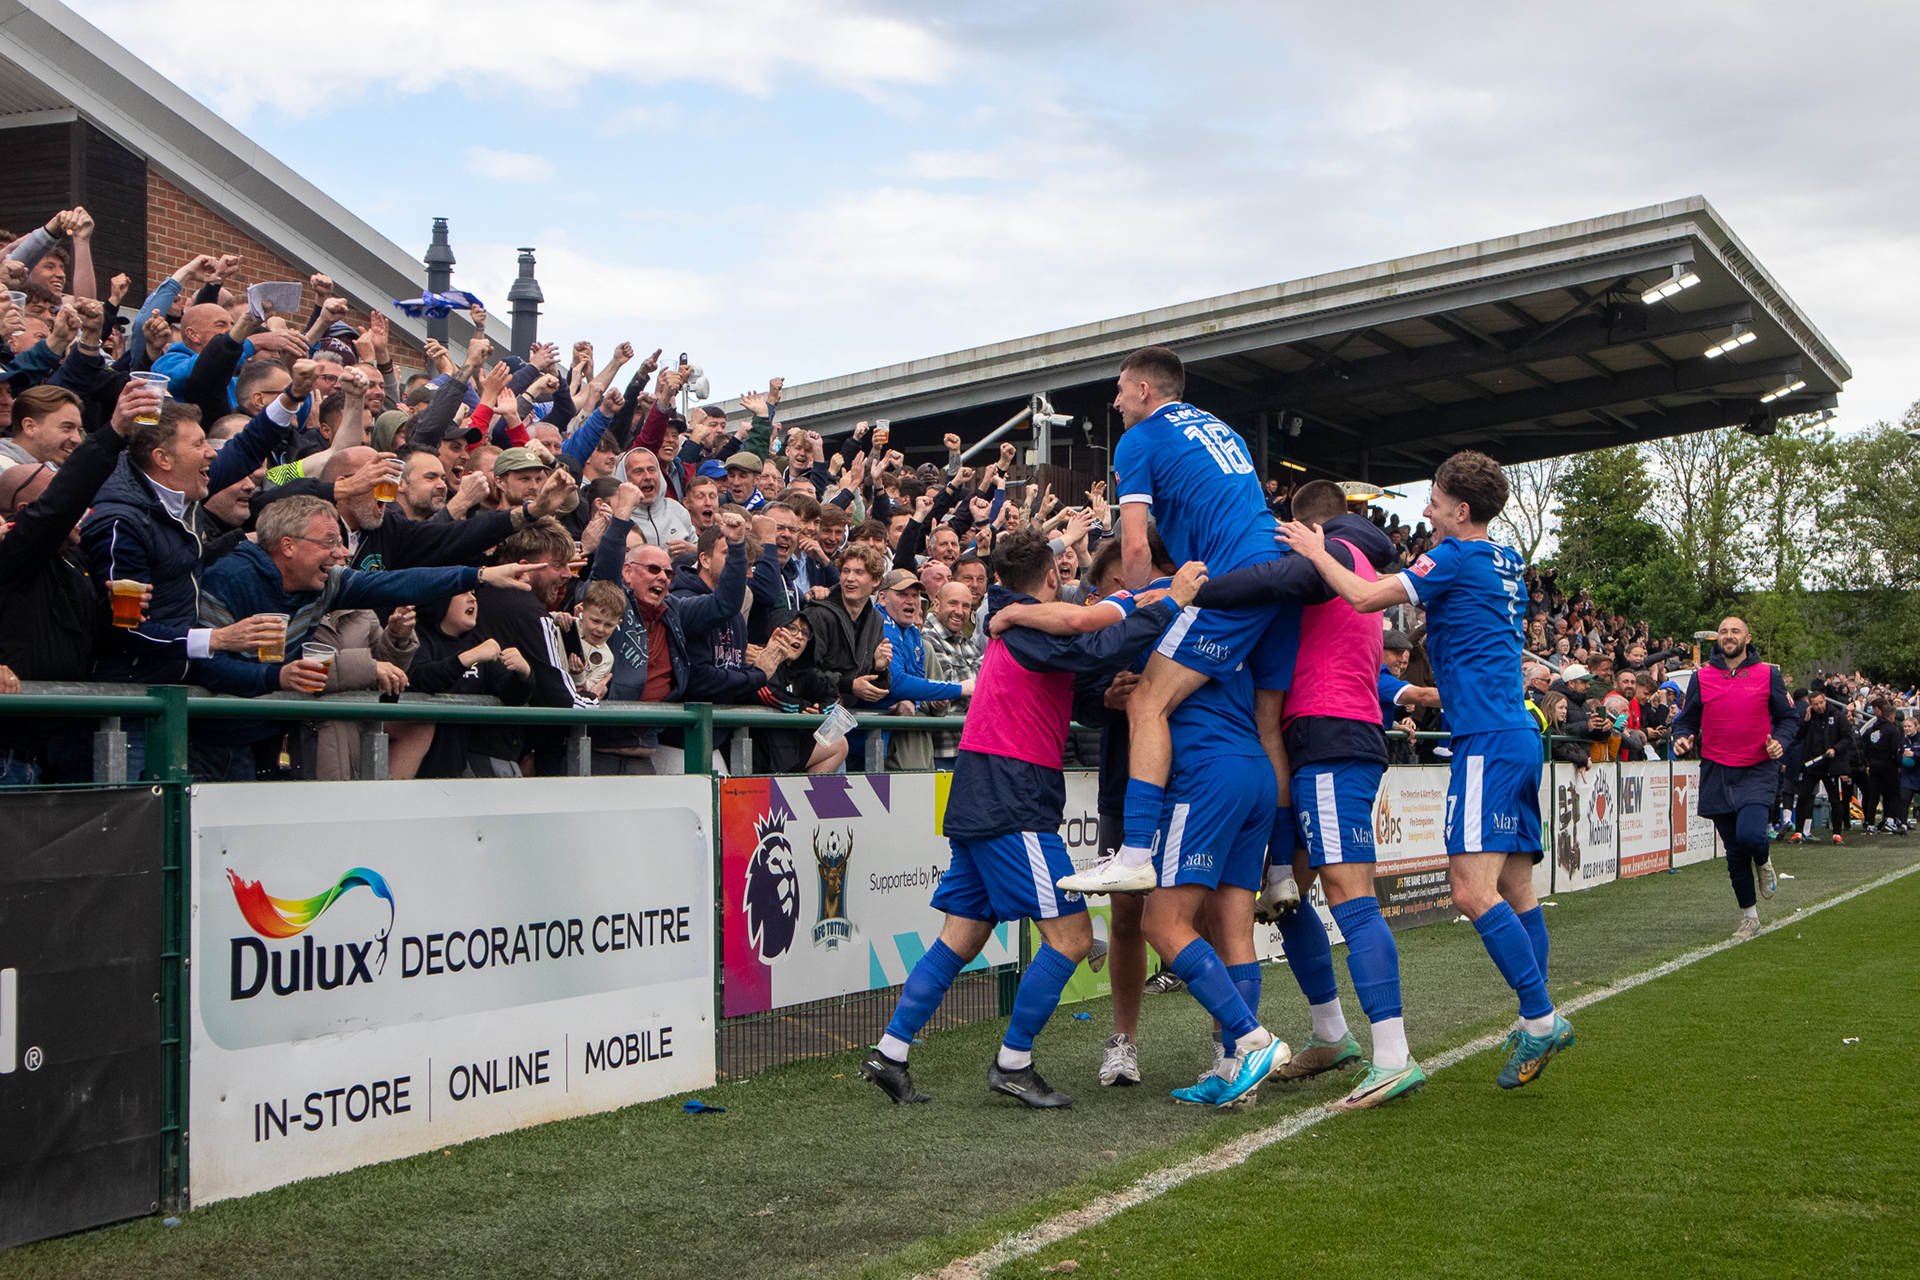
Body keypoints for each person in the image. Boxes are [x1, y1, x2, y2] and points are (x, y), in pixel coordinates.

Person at [858, 530, 1201, 1110]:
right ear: (1050, 580)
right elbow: (1091, 650)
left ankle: (891, 1053)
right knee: (1068, 939)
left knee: (960, 936)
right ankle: (1013, 1063)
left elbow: (1076, 682)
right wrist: (1170, 603)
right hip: (1011, 792)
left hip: (986, 788)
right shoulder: (1028, 623)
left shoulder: (1018, 627)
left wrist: (1105, 700)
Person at [1280, 450, 1573, 1091]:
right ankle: (1537, 1013)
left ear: (1461, 511)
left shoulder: (1457, 555)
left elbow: (1360, 597)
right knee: (1518, 893)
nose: (1425, 510)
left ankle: (1542, 1019)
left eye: (1435, 500)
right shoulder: (1506, 557)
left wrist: (1312, 547)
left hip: (1488, 740)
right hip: (1516, 731)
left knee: (1470, 892)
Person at [1192, 477, 1422, 1108]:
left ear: (1305, 526)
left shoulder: (1338, 556)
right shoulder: (1356, 561)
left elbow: (1282, 582)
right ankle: (1332, 1033)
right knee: (1289, 898)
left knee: (1352, 897)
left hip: (1329, 739)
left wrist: (1201, 590)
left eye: (1288, 535)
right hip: (1324, 739)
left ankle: (1393, 1056)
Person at [1064, 346, 1294, 896]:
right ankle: (1282, 869)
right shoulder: (1218, 427)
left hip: (1235, 578)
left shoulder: (1138, 440)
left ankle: (1136, 851)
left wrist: (1145, 602)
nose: (1115, 401)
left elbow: (1135, 544)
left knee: (1147, 700)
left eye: (1119, 389)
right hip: (1276, 569)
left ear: (1145, 390)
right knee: (1266, 720)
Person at [1668, 617, 1798, 941]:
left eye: (1734, 631)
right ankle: (1749, 918)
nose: (1728, 636)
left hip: (1757, 768)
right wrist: (1681, 738)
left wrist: (1780, 741)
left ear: (1747, 638)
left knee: (1751, 836)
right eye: (1723, 631)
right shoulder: (1702, 677)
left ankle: (1764, 859)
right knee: (1734, 852)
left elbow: (1788, 718)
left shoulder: (1768, 674)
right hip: (1716, 771)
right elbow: (1687, 720)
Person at [1792, 687, 1854, 843]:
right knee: (1803, 798)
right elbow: (1798, 736)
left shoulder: (1838, 716)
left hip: (1830, 765)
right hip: (1812, 764)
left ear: (1825, 700)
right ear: (1810, 704)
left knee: (1835, 799)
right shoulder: (1809, 717)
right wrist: (1805, 722)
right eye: (1815, 704)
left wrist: (1835, 749)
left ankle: (1837, 834)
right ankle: (1798, 833)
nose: (1819, 706)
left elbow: (1847, 738)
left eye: (1821, 703)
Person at [1855, 699, 1906, 834]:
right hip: (1889, 765)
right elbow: (1896, 750)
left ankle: (1871, 823)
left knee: (1874, 795)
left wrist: (1868, 763)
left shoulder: (1871, 730)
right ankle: (1890, 820)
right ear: (1891, 716)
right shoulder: (1892, 730)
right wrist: (1899, 764)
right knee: (1894, 793)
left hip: (1874, 766)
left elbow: (1864, 748)